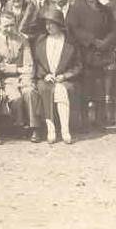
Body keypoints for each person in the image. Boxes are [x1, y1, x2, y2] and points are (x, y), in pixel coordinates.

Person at [66, 0, 116, 130]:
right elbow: (75, 29)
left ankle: (100, 119)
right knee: (85, 89)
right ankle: (84, 121)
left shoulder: (106, 10)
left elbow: (114, 31)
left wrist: (105, 43)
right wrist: (93, 41)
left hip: (102, 54)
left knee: (100, 89)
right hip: (84, 54)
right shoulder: (76, 10)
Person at [0, 12, 39, 141]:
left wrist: (16, 69)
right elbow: (0, 67)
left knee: (29, 92)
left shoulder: (22, 40)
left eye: (12, 25)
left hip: (25, 76)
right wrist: (13, 69)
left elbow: (29, 65)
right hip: (7, 80)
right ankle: (19, 126)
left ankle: (35, 128)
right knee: (16, 98)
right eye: (6, 26)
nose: (10, 29)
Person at [33, 8, 82, 144]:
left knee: (61, 89)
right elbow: (37, 63)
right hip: (46, 79)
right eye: (46, 24)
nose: (48, 27)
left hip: (65, 79)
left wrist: (65, 76)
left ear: (59, 24)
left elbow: (78, 65)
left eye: (52, 23)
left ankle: (65, 130)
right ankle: (51, 129)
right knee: (45, 89)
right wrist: (44, 75)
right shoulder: (41, 41)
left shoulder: (69, 42)